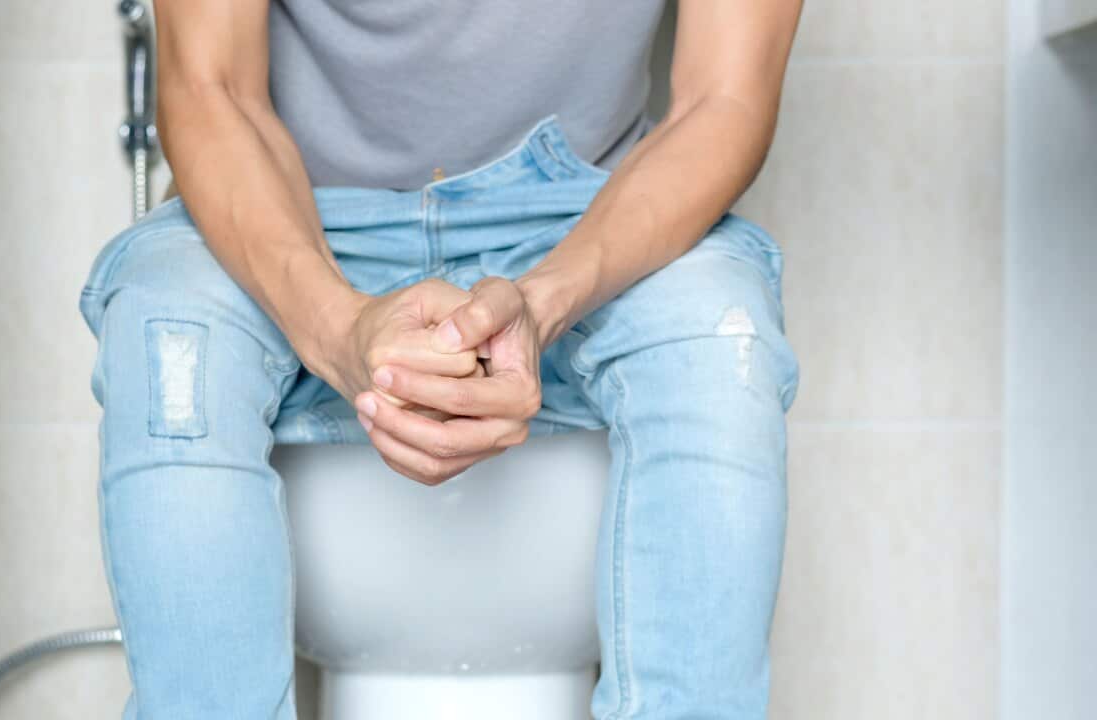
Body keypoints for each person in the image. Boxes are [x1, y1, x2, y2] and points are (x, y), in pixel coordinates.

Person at [79, 0, 803, 717]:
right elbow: (212, 87)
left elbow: (723, 98)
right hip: (290, 205)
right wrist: (337, 327)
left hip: (592, 211)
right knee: (172, 329)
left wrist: (547, 300)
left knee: (715, 335)